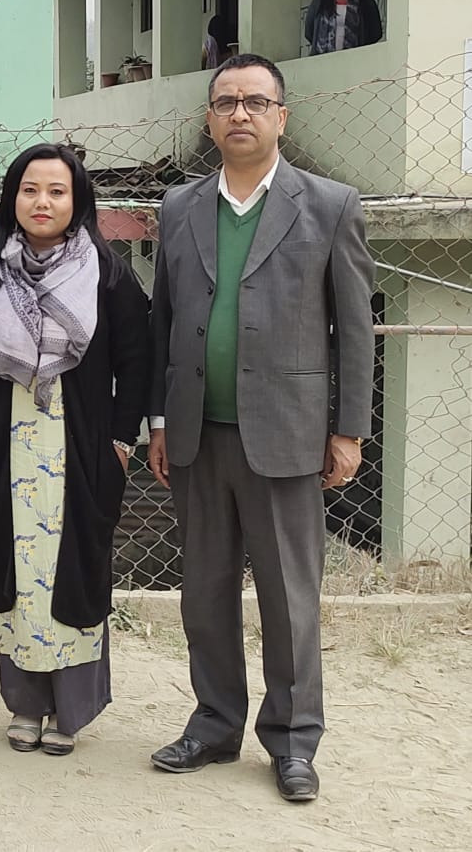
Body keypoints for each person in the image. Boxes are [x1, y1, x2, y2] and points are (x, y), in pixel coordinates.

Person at [148, 53, 374, 802]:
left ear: (282, 115)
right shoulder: (180, 206)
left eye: (255, 101)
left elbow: (354, 328)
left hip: (286, 432)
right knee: (204, 593)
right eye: (225, 101)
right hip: (196, 432)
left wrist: (348, 429)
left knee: (289, 596)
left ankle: (292, 739)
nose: (239, 113)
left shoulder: (331, 204)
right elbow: (164, 321)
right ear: (208, 118)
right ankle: (215, 723)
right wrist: (156, 416)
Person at [0, 143, 149, 756]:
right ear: (12, 200)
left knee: (74, 572)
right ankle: (26, 706)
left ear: (77, 200)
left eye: (57, 191)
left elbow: (136, 364)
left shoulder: (108, 274)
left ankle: (73, 710)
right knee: (12, 572)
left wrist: (119, 441)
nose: (42, 202)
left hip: (81, 451)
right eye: (30, 190)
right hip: (2, 449)